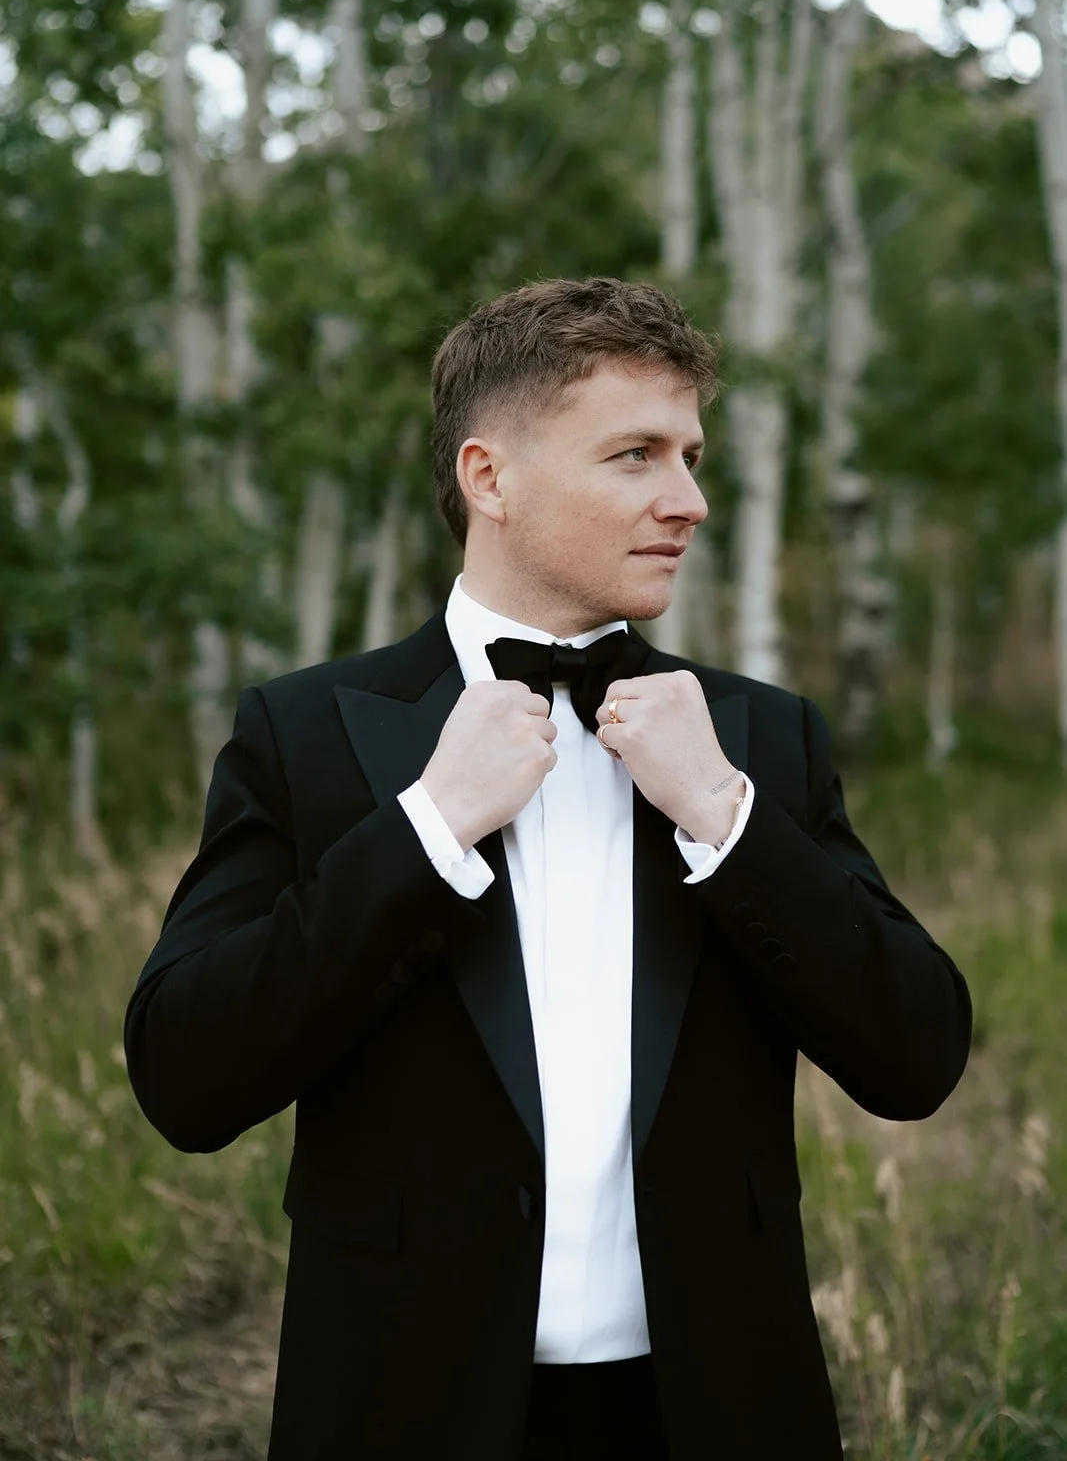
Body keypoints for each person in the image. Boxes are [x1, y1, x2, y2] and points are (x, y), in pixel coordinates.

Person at [125, 277, 972, 1461]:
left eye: (689, 455)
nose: (689, 500)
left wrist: (725, 816)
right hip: (404, 1407)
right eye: (635, 455)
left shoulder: (759, 739)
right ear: (490, 478)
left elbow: (915, 1053)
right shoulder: (308, 733)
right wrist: (426, 827)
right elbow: (185, 1075)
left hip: (710, 1406)